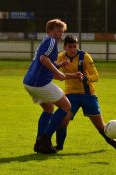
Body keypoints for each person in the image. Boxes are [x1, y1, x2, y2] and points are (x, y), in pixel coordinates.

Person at [55, 34, 116, 151]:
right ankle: (59, 147)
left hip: (88, 95)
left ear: (77, 46)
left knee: (100, 126)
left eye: (74, 46)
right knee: (63, 120)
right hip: (71, 95)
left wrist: (86, 78)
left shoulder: (85, 57)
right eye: (69, 47)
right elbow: (54, 70)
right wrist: (58, 65)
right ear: (64, 47)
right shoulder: (60, 57)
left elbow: (96, 76)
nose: (72, 49)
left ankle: (112, 142)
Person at [23, 19, 83, 154]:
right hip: (39, 83)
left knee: (49, 109)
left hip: (29, 83)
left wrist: (60, 67)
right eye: (58, 31)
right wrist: (58, 72)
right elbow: (43, 59)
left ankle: (40, 143)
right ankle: (44, 140)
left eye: (62, 31)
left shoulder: (46, 41)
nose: (61, 34)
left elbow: (47, 66)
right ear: (50, 30)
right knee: (66, 106)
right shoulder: (51, 41)